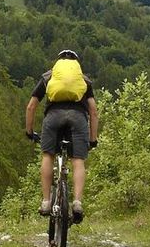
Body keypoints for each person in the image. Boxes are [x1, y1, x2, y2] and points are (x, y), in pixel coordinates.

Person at [25, 49, 98, 223]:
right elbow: (94, 112)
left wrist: (29, 131)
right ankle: (78, 202)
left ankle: (45, 202)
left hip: (53, 118)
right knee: (78, 160)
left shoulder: (48, 77)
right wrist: (93, 139)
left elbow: (31, 107)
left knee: (48, 155)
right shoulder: (83, 80)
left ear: (57, 63)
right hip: (78, 118)